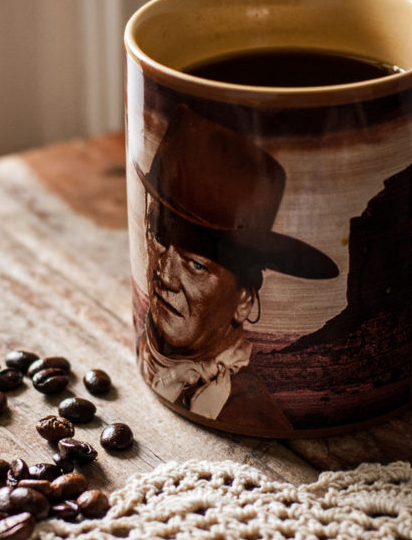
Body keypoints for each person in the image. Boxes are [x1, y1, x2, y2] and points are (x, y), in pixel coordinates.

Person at [136, 105, 339, 421]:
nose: (165, 274)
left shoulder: (252, 413)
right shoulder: (145, 348)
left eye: (196, 265)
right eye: (160, 237)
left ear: (243, 301)